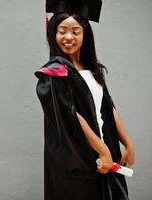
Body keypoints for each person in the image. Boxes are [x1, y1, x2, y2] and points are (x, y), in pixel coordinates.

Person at [34, 0, 135, 199]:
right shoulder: (54, 73)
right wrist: (102, 149)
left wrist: (128, 144)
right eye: (62, 31)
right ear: (53, 34)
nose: (68, 37)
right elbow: (70, 115)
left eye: (75, 31)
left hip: (104, 150)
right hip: (77, 157)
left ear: (85, 34)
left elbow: (108, 106)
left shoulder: (92, 69)